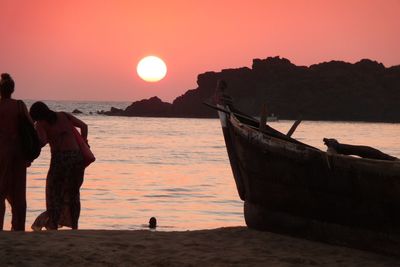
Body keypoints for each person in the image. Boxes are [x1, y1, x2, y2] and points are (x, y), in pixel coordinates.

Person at [29, 101, 88, 230]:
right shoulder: (64, 115)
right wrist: (84, 143)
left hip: (60, 159)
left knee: (53, 192)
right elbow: (84, 126)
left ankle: (53, 224)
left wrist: (31, 144)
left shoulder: (41, 123)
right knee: (73, 193)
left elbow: (43, 142)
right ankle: (75, 226)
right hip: (77, 158)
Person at [0, 73, 30, 231]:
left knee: (1, 191)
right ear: (12, 90)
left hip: (2, 153)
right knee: (19, 192)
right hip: (19, 153)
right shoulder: (20, 105)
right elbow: (30, 129)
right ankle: (18, 227)